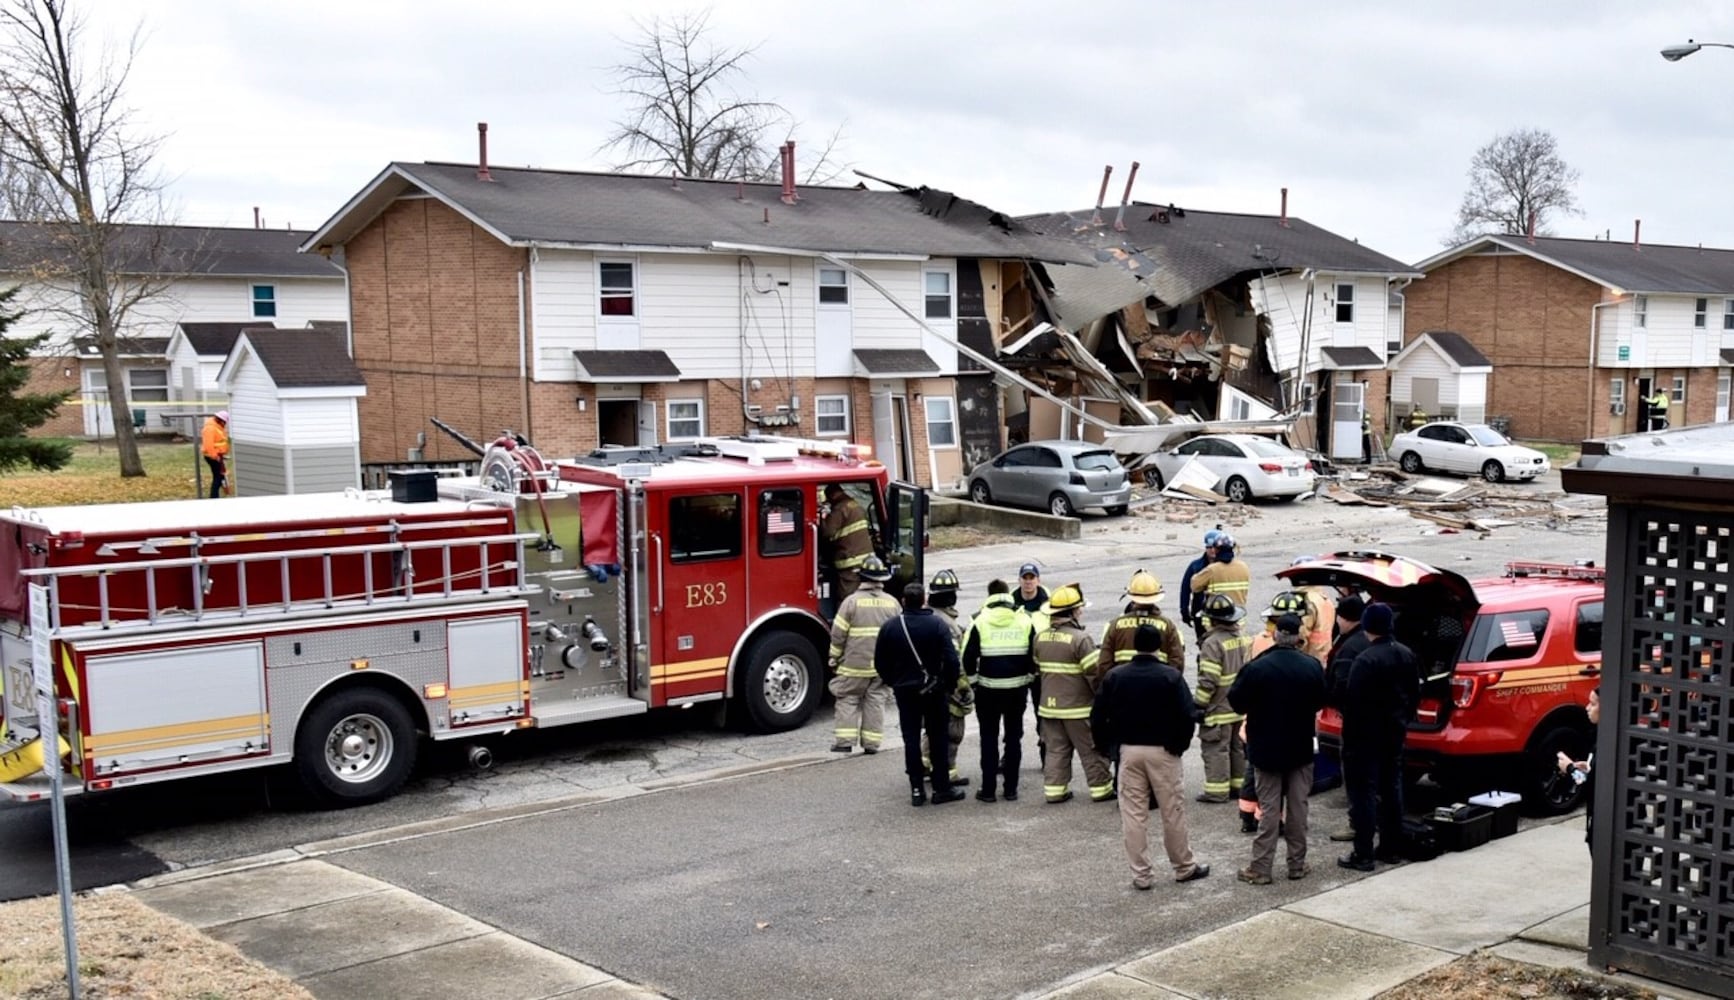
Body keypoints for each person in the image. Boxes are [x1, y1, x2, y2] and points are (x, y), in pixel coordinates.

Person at [1092, 624, 1210, 889]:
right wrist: (1179, 746)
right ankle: (1183, 867)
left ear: (1135, 645)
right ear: (1159, 646)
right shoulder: (1170, 676)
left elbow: (1098, 715)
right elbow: (1187, 714)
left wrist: (1108, 748)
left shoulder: (1115, 676)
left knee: (1133, 815)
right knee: (1172, 812)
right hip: (1164, 751)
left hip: (1129, 751)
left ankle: (1141, 876)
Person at [1229, 613, 1329, 884]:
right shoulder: (1311, 666)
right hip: (1299, 748)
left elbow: (1236, 702)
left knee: (1270, 809)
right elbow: (1321, 700)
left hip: (1266, 749)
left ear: (1275, 634)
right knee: (1298, 808)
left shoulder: (1257, 667)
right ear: (1298, 636)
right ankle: (1296, 864)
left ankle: (1261, 869)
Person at [1337, 602, 1420, 871]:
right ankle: (1391, 848)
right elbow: (1414, 695)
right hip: (1393, 733)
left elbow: (1353, 701)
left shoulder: (1365, 660)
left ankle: (1363, 853)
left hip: (1364, 738)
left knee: (1363, 794)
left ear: (1367, 626)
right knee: (1392, 790)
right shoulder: (1407, 654)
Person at [874, 582, 965, 807]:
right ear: (923, 600)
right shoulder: (937, 624)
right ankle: (941, 789)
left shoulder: (890, 627)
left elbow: (880, 662)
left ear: (903, 601)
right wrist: (949, 684)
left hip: (905, 691)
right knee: (938, 738)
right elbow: (952, 660)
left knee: (911, 739)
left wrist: (893, 681)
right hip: (934, 690)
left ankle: (916, 790)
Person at [1035, 584, 1113, 804]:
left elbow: (1037, 667)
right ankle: (1101, 790)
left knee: (1055, 750)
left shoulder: (1040, 638)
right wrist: (1102, 701)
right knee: (1091, 750)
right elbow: (1094, 675)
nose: (1081, 611)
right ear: (1071, 612)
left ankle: (1055, 791)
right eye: (1079, 608)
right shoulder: (1081, 639)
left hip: (1049, 708)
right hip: (1078, 709)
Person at [962, 579, 1036, 802]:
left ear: (989, 595)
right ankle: (1011, 789)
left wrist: (974, 682)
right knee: (1013, 738)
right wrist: (1028, 678)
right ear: (1008, 595)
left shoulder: (978, 620)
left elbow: (966, 658)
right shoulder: (1025, 620)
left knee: (988, 738)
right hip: (1017, 689)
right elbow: (1035, 655)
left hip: (988, 690)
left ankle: (988, 790)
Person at [826, 555, 898, 754]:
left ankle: (845, 742)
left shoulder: (851, 602)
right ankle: (871, 744)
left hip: (854, 665)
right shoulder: (892, 604)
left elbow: (838, 634)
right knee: (876, 700)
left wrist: (834, 657)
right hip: (882, 667)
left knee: (848, 698)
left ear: (862, 578)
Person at [1193, 593, 1250, 804]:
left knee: (1216, 749)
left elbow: (1209, 679)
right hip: (1238, 707)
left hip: (1218, 708)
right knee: (1236, 748)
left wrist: (1199, 704)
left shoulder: (1212, 643)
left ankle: (1216, 791)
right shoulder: (1242, 638)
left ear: (1213, 620)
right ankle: (1238, 787)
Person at [1324, 594, 1370, 843]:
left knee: (1355, 776)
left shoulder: (1349, 647)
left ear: (1343, 617)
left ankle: (1358, 825)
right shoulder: (1370, 639)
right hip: (1379, 721)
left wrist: (1328, 699)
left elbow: (1341, 686)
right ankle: (1374, 819)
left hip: (1355, 722)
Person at [921, 569, 971, 790]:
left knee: (930, 729)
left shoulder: (927, 615)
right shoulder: (947, 625)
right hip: (947, 685)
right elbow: (954, 658)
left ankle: (925, 765)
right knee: (953, 731)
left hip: (926, 684)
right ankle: (948, 773)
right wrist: (962, 686)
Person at [1098, 569, 1185, 671]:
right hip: (1158, 684)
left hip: (1122, 684)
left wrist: (1112, 683)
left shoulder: (1116, 625)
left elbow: (1104, 663)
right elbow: (1177, 661)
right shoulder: (1167, 625)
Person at [1556, 688, 1600, 851]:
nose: (1587, 708)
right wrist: (1589, 767)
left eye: (1593, 704)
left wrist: (1568, 768)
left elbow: (1589, 784)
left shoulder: (1608, 742)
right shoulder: (1604, 736)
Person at [820, 484, 874, 600]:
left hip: (850, 561)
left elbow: (827, 533)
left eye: (829, 499)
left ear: (833, 495)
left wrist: (822, 518)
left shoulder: (839, 509)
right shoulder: (856, 505)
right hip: (866, 560)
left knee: (848, 598)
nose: (829, 502)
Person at [1188, 533, 1250, 625]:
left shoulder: (1212, 569)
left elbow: (1194, 586)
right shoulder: (1244, 567)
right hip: (1239, 620)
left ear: (1216, 549)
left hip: (1216, 621)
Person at [1178, 528, 1225, 643]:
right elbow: (1185, 589)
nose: (1212, 550)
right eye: (1209, 547)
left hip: (1222, 614)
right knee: (1203, 644)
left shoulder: (1226, 567)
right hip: (1200, 613)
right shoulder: (1195, 566)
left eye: (1215, 547)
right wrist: (1184, 611)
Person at [201, 409, 230, 499]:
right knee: (219, 477)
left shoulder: (217, 427)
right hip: (212, 457)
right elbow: (208, 445)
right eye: (225, 422)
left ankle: (215, 496)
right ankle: (214, 497)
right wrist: (215, 456)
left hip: (217, 455)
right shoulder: (210, 428)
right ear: (221, 420)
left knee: (219, 476)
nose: (225, 424)